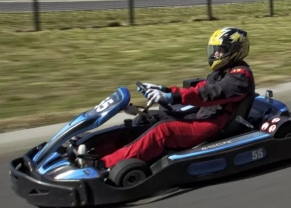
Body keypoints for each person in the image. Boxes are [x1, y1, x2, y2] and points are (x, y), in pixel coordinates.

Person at [77, 27, 256, 169]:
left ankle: (103, 164)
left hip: (213, 125)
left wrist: (172, 97)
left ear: (235, 50)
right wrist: (163, 89)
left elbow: (208, 94)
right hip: (204, 115)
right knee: (149, 118)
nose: (216, 54)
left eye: (221, 50)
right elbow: (200, 88)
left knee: (163, 131)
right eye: (215, 50)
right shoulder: (222, 72)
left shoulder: (240, 77)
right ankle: (93, 147)